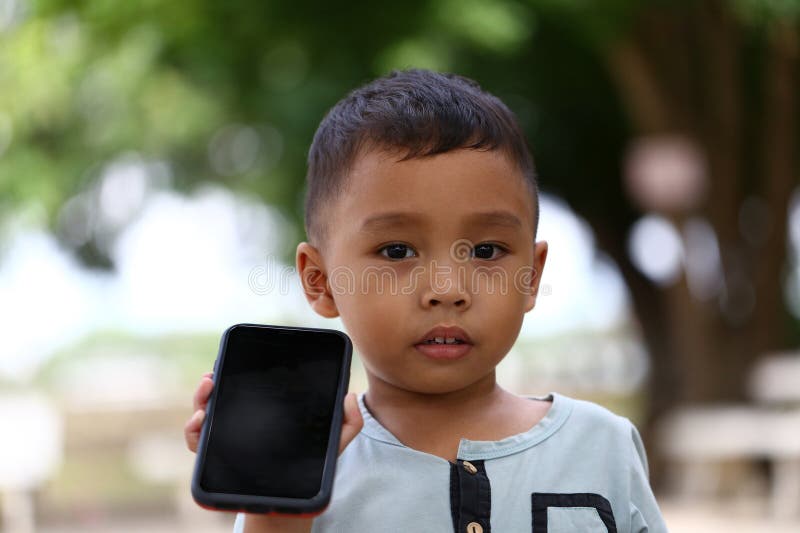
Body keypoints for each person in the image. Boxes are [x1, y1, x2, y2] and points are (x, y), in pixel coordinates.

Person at [184, 69, 669, 533]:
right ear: (321, 281)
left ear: (530, 276)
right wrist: (276, 510)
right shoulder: (309, 472)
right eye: (397, 251)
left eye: (486, 251)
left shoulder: (601, 446)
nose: (447, 289)